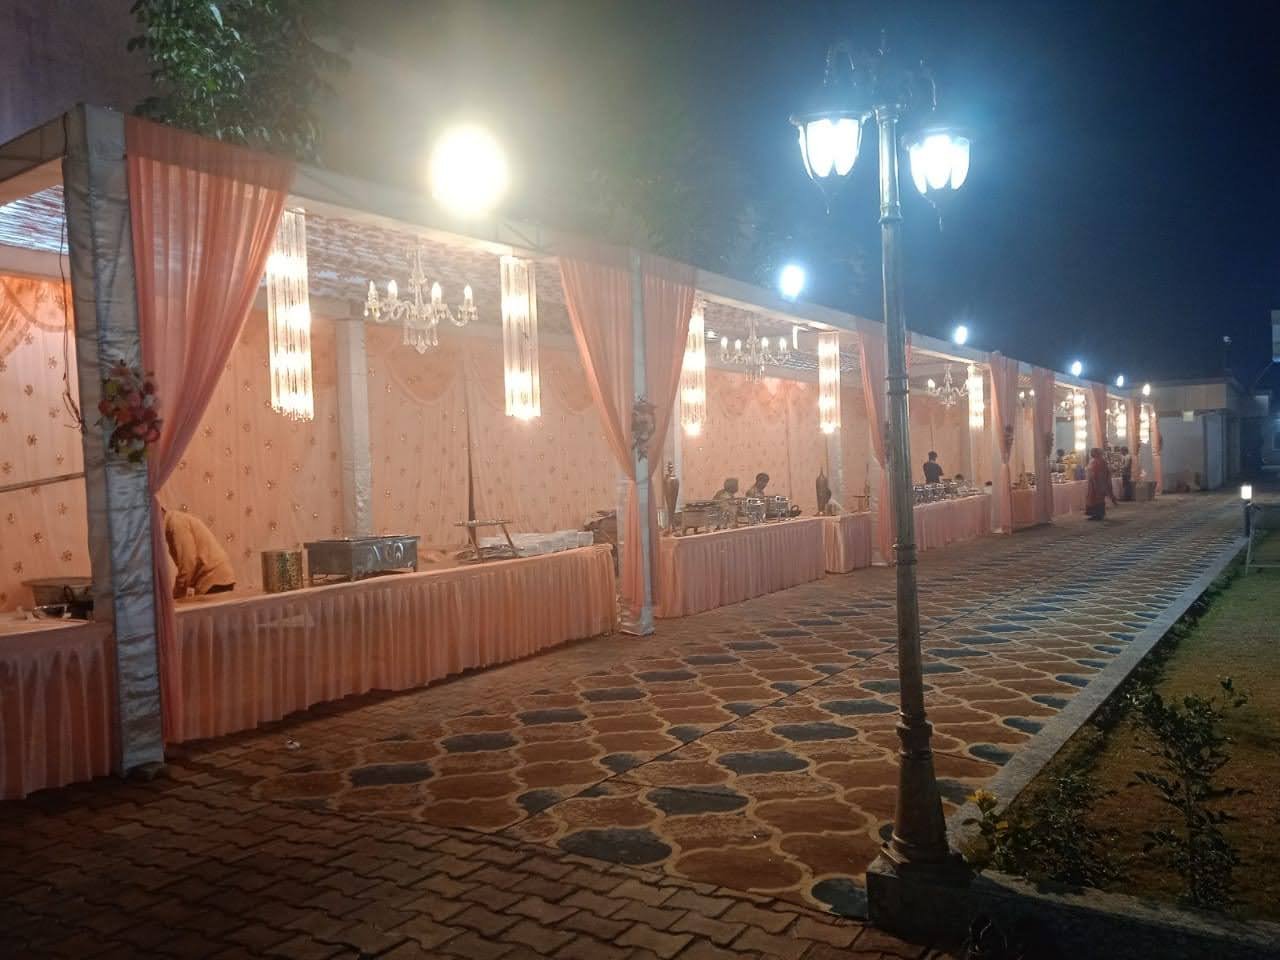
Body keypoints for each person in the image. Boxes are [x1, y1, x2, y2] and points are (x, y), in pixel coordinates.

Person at [163, 507, 236, 598]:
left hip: (213, 580)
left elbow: (188, 563)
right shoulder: (175, 521)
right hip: (216, 579)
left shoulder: (175, 523)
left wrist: (176, 595)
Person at [1085, 447, 1118, 521]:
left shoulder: (1100, 461)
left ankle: (1099, 514)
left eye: (1093, 452)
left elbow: (1100, 473)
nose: (1091, 453)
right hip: (1093, 482)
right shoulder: (1094, 460)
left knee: (1098, 498)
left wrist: (1098, 482)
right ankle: (1095, 514)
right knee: (1093, 498)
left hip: (1098, 482)